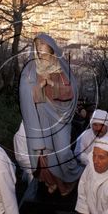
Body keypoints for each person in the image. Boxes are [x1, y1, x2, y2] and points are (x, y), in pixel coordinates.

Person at [19, 33, 84, 196]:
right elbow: (26, 94)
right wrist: (39, 86)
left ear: (51, 46)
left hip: (60, 116)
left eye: (42, 44)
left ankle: (74, 176)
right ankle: (55, 182)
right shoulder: (31, 68)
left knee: (62, 152)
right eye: (37, 44)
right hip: (41, 116)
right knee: (45, 154)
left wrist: (52, 83)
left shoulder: (60, 66)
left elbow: (70, 92)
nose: (39, 48)